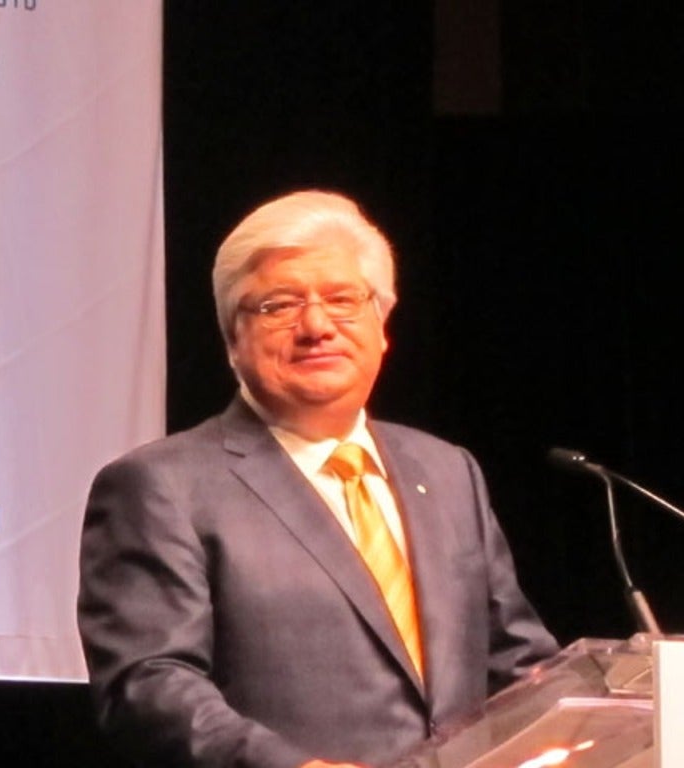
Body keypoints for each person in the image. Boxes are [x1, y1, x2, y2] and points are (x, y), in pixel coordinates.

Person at [77, 190, 558, 768]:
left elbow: (517, 661)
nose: (316, 325)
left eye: (342, 299)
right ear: (233, 339)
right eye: (278, 305)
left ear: (382, 326)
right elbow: (149, 684)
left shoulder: (448, 471)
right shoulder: (160, 487)